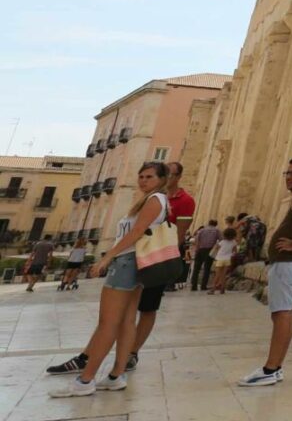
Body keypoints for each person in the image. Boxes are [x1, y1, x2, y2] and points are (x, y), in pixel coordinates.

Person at [48, 161, 170, 397]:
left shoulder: (155, 200)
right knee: (126, 321)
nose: (144, 180)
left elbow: (136, 232)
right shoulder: (152, 200)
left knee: (108, 323)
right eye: (141, 176)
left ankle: (85, 380)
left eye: (150, 177)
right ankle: (116, 375)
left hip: (126, 262)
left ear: (162, 179)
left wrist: (107, 257)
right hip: (136, 263)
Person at [239, 157, 292, 387]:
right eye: (287, 173)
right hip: (286, 263)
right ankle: (276, 367)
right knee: (283, 313)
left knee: (281, 313)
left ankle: (270, 369)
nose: (289, 177)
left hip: (286, 263)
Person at [125, 161, 194, 373]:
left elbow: (179, 234)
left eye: (171, 174)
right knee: (127, 307)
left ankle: (132, 351)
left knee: (148, 307)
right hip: (134, 257)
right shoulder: (147, 198)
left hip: (157, 259)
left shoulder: (185, 201)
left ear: (177, 177)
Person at [190, 219, 222, 290]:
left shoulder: (202, 230)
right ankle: (203, 286)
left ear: (208, 223)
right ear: (216, 224)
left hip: (200, 250)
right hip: (209, 250)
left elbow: (196, 240)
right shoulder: (217, 230)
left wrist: (197, 248)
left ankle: (194, 286)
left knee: (196, 268)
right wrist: (216, 248)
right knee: (207, 269)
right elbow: (221, 240)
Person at [208, 226, 239, 293]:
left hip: (220, 259)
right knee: (223, 275)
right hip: (227, 260)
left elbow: (216, 249)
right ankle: (222, 289)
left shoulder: (222, 242)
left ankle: (213, 289)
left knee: (217, 275)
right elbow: (235, 252)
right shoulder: (234, 242)